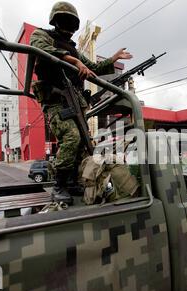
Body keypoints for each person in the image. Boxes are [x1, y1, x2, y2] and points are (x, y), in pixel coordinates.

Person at [30, 1, 132, 204]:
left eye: (71, 22)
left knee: (84, 144)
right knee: (72, 137)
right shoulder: (42, 35)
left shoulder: (74, 50)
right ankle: (59, 186)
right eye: (64, 20)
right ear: (56, 21)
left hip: (74, 103)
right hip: (56, 101)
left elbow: (94, 67)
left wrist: (113, 58)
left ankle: (73, 182)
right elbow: (40, 48)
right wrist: (74, 62)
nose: (68, 26)